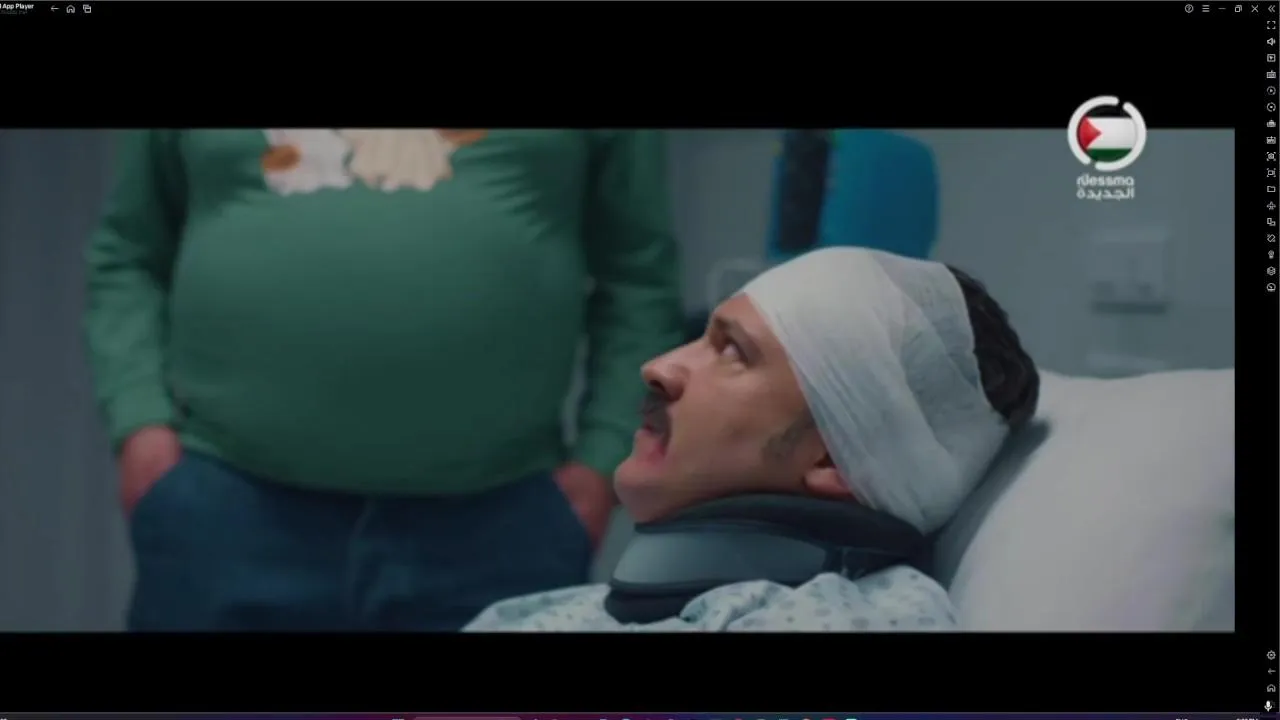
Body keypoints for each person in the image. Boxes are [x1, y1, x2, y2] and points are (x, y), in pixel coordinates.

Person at [85, 129, 683, 631]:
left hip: (501, 522)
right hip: (224, 507)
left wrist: (602, 463)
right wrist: (140, 425)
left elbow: (638, 278)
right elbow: (129, 253)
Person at [465, 247, 1040, 631]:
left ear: (832, 457)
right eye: (701, 339)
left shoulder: (843, 622)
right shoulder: (535, 612)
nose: (658, 368)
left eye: (734, 351)